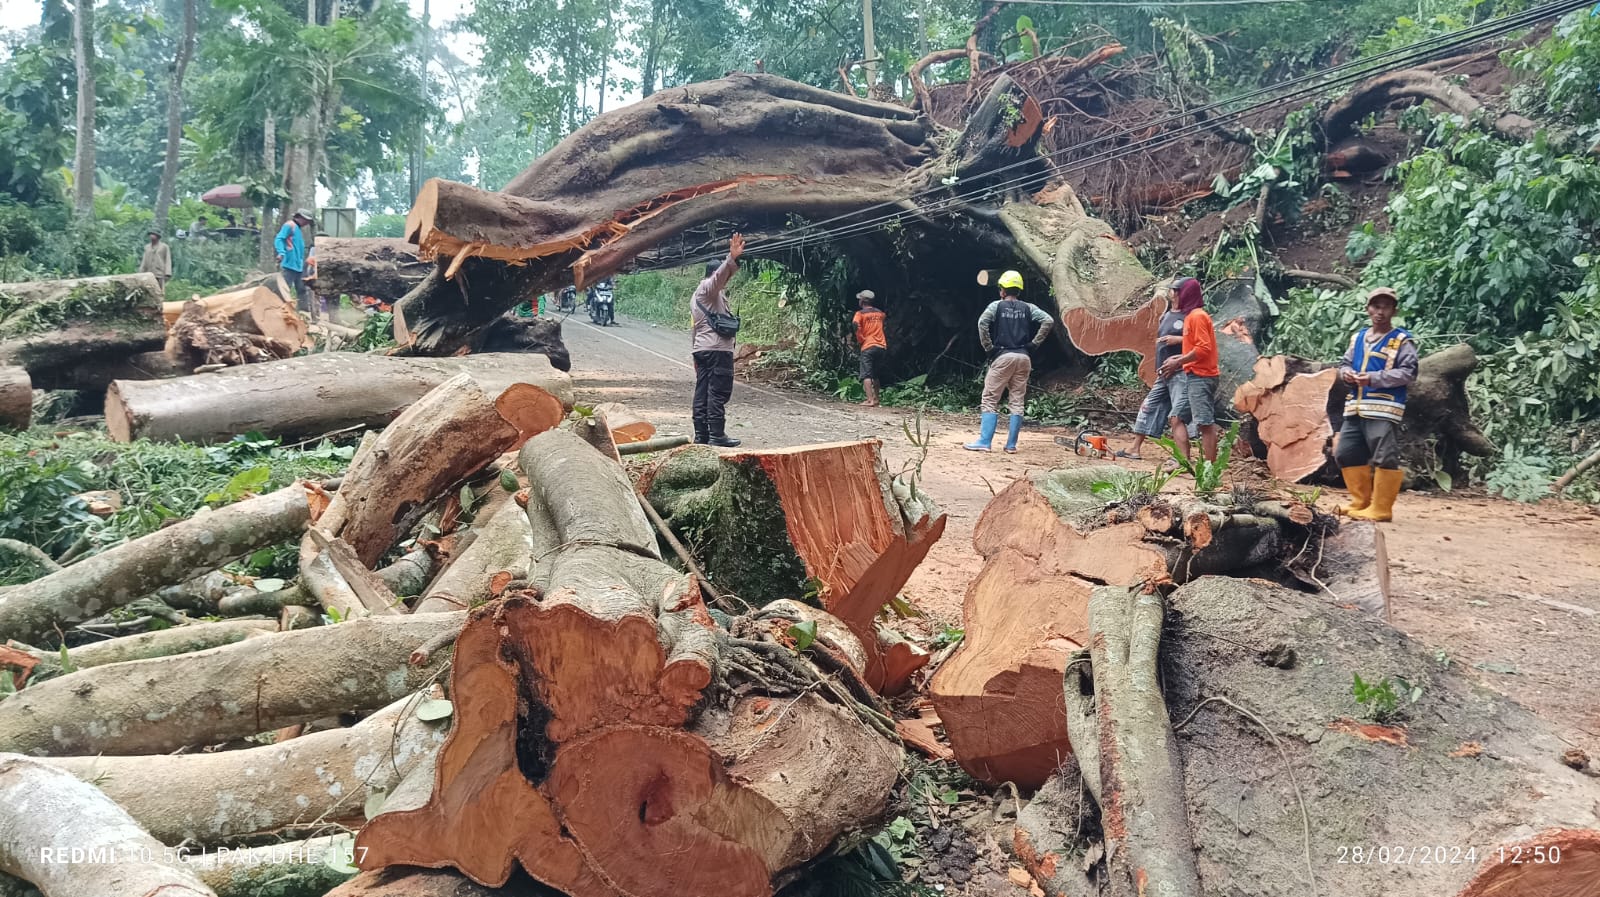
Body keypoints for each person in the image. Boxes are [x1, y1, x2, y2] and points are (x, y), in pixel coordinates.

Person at [1334, 286, 1418, 522]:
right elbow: (1344, 364)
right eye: (1376, 306)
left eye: (1386, 307)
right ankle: (1360, 502)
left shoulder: (1402, 340)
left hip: (1384, 407)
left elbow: (1408, 373)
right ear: (1368, 309)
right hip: (1355, 406)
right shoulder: (1357, 337)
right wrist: (1347, 374)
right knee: (1346, 452)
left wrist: (1374, 378)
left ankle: (1381, 508)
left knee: (1384, 455)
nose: (1380, 312)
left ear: (1394, 310)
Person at [964, 270, 1054, 454]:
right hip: (1024, 358)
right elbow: (1048, 320)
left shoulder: (996, 306)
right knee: (1017, 400)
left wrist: (989, 347)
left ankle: (984, 441)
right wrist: (1034, 344)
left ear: (1003, 290)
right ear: (1019, 290)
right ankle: (1011, 445)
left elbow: (982, 323)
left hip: (1003, 357)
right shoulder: (1029, 308)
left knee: (990, 398)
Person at [1119, 280, 1187, 460]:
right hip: (1163, 372)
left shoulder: (1190, 316)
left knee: (1178, 414)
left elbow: (1199, 343)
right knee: (1148, 406)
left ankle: (1182, 457)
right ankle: (1135, 448)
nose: (1171, 293)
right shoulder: (1166, 315)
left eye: (1174, 290)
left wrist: (1178, 341)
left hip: (1180, 371)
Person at [690, 233, 746, 447]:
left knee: (703, 392)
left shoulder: (698, 296)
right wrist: (730, 259)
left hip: (703, 349)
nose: (725, 280)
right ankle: (716, 434)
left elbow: (694, 327)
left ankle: (702, 434)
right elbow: (718, 278)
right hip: (716, 350)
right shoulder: (708, 289)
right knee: (718, 391)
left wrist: (694, 353)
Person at [1158, 277, 1221, 463]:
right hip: (1192, 375)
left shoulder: (1197, 317)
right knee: (1176, 417)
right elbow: (1194, 347)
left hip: (1202, 377)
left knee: (1204, 424)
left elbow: (1203, 349)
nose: (1173, 295)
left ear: (1185, 293)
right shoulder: (1190, 317)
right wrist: (1180, 359)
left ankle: (1210, 470)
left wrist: (1178, 362)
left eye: (1175, 291)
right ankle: (1183, 462)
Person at [274, 209, 316, 318]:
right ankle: (281, 311)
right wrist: (281, 252)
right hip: (289, 264)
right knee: (284, 288)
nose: (307, 223)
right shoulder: (290, 225)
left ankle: (303, 313)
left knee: (302, 289)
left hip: (298, 265)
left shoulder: (298, 229)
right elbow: (279, 239)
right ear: (300, 217)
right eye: (306, 220)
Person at [851, 290, 887, 407]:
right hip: (881, 346)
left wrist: (860, 338)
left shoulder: (860, 314)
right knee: (876, 375)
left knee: (866, 375)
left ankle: (869, 400)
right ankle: (876, 399)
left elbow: (855, 325)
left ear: (862, 301)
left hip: (868, 345)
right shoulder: (880, 314)